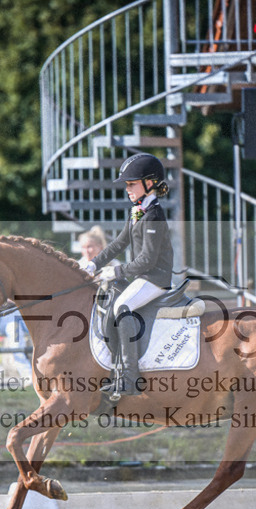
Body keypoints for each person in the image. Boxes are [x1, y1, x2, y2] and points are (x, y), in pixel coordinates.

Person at [84, 153, 174, 396]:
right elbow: (119, 243)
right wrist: (93, 264)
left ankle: (131, 378)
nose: (128, 189)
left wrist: (116, 271)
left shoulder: (154, 214)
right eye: (127, 185)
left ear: (150, 183)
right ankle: (115, 369)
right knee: (109, 302)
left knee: (122, 307)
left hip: (156, 278)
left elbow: (148, 259)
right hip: (142, 277)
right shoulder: (138, 210)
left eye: (132, 184)